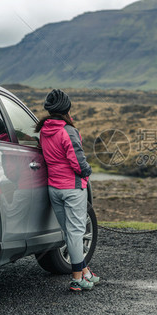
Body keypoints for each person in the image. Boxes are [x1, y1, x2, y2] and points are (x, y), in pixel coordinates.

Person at [35, 89, 100, 292]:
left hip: (53, 188)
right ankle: (76, 279)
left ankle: (85, 272)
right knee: (75, 233)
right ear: (66, 108)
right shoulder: (68, 131)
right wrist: (87, 172)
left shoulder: (43, 130)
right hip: (72, 188)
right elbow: (77, 162)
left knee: (69, 232)